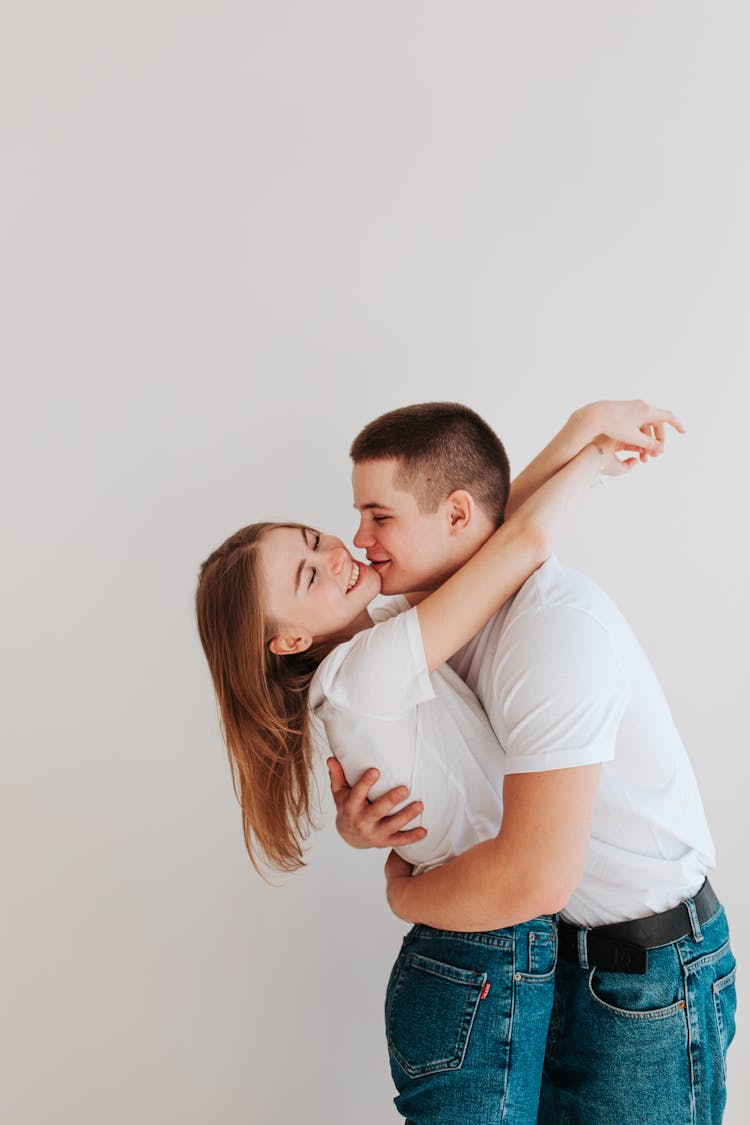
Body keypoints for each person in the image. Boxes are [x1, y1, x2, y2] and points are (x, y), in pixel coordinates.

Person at [196, 403, 658, 1123]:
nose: (343, 555)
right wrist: (594, 453)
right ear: (286, 641)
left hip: (482, 948)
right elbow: (519, 542)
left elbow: (476, 530)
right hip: (478, 958)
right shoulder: (365, 672)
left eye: (319, 540)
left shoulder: (372, 643)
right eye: (309, 576)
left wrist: (577, 434)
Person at [330, 401, 736, 1124]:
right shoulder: (423, 622)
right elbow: (502, 526)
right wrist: (369, 821)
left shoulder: (555, 630)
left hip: (644, 981)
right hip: (545, 958)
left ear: (454, 515)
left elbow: (534, 875)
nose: (357, 539)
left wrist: (403, 894)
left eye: (378, 515)